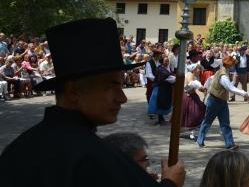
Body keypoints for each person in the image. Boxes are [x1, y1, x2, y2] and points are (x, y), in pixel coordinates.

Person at [0, 18, 185, 187]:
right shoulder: (92, 158)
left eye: (121, 85)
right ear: (73, 91)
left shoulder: (19, 148)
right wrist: (171, 183)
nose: (123, 97)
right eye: (112, 85)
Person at [197, 56, 248, 149]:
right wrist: (244, 93)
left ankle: (230, 144)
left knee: (225, 123)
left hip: (221, 100)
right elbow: (229, 88)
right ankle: (200, 140)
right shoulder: (223, 74)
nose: (234, 65)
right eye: (233, 64)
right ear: (229, 64)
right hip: (214, 100)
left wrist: (233, 81)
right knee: (207, 121)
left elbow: (226, 86)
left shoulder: (222, 72)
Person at [148, 56, 175, 125]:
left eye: (168, 61)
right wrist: (176, 79)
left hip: (166, 88)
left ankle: (161, 118)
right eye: (165, 61)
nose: (167, 62)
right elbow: (168, 78)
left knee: (163, 102)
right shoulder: (160, 69)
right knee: (159, 102)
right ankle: (160, 119)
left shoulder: (168, 68)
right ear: (162, 62)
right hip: (160, 88)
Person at [182, 63, 206, 139]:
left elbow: (195, 86)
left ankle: (191, 132)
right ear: (194, 69)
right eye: (198, 69)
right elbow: (190, 85)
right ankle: (190, 132)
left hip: (192, 96)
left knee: (195, 113)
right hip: (189, 97)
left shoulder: (194, 76)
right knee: (193, 114)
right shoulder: (189, 74)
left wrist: (202, 89)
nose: (200, 70)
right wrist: (200, 86)